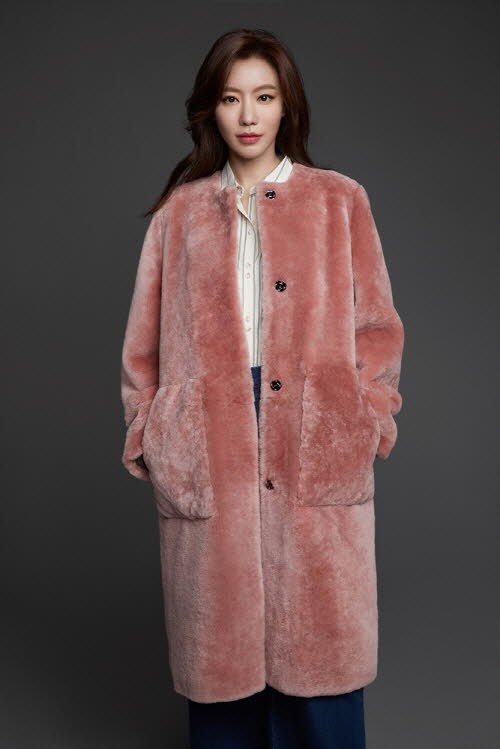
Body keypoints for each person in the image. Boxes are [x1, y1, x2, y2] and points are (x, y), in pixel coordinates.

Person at [120, 28, 404, 749]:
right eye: (231, 98)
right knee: (223, 670)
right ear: (210, 110)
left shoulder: (339, 201)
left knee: (321, 667)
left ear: (287, 106)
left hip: (312, 427)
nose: (248, 115)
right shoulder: (178, 215)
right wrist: (154, 430)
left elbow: (376, 330)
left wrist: (366, 419)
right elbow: (142, 348)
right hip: (210, 435)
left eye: (264, 97)